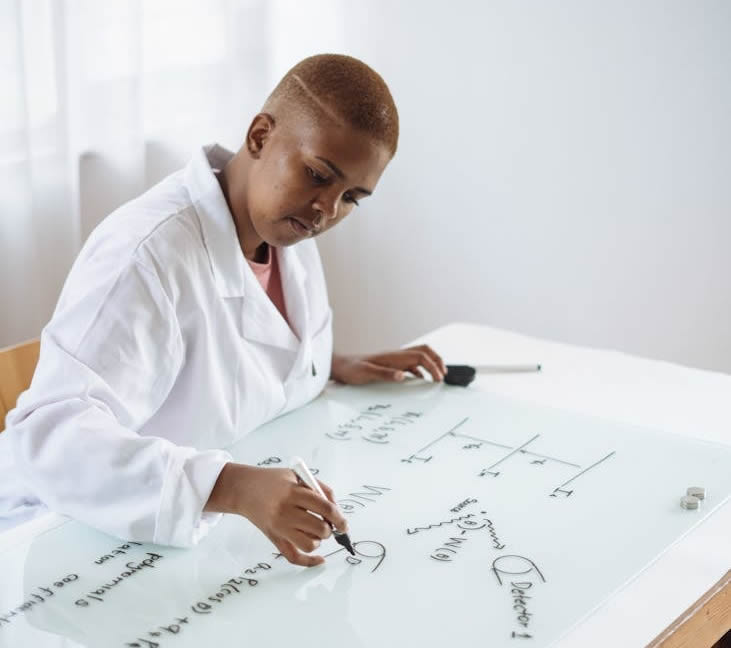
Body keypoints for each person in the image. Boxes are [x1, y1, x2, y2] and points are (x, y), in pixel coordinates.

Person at [0, 54, 447, 566]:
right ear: (259, 136)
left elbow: (237, 356)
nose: (328, 210)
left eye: (353, 198)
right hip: (57, 535)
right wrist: (232, 487)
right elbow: (50, 440)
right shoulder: (146, 254)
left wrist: (326, 366)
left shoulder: (288, 230)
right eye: (319, 175)